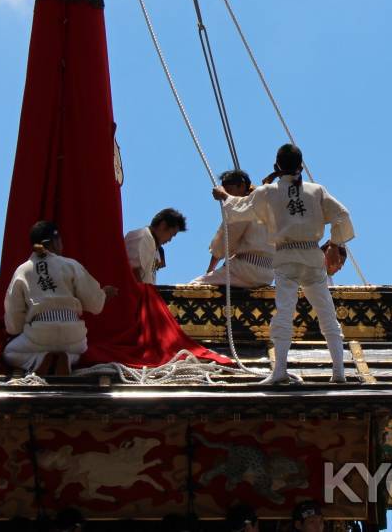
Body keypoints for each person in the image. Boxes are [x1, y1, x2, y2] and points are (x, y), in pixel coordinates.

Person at [212, 143, 353, 384]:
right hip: (311, 255)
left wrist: (224, 196)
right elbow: (343, 215)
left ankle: (279, 371)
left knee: (285, 313)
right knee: (326, 313)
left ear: (277, 166)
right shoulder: (316, 190)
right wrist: (333, 244)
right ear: (301, 166)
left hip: (286, 255)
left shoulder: (269, 191)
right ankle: (339, 372)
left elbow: (239, 208)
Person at [4, 221, 118, 376]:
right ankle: (68, 358)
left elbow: (13, 318)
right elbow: (94, 304)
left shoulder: (22, 270)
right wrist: (103, 294)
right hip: (73, 334)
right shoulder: (70, 265)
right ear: (55, 242)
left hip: (39, 334)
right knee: (81, 351)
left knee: (9, 353)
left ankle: (40, 360)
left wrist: (19, 329)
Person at [191, 169, 274, 288]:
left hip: (245, 270)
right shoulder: (265, 203)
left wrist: (209, 271)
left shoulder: (242, 207)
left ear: (241, 186)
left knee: (194, 286)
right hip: (268, 274)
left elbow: (224, 243)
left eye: (229, 190)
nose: (228, 195)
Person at [124, 208, 187, 284]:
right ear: (163, 225)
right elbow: (131, 271)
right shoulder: (143, 237)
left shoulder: (153, 244)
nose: (170, 240)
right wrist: (142, 295)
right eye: (171, 234)